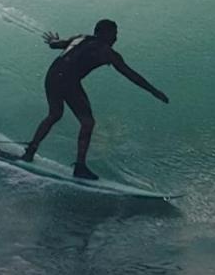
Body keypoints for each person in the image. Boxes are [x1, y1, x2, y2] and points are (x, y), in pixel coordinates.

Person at [21, 19, 168, 179]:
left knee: (55, 114)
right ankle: (80, 167)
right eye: (114, 34)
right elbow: (130, 74)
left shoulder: (80, 38)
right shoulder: (106, 52)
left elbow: (55, 44)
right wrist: (153, 91)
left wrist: (53, 40)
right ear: (103, 33)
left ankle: (30, 151)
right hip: (68, 81)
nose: (116, 38)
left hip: (52, 75)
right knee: (87, 122)